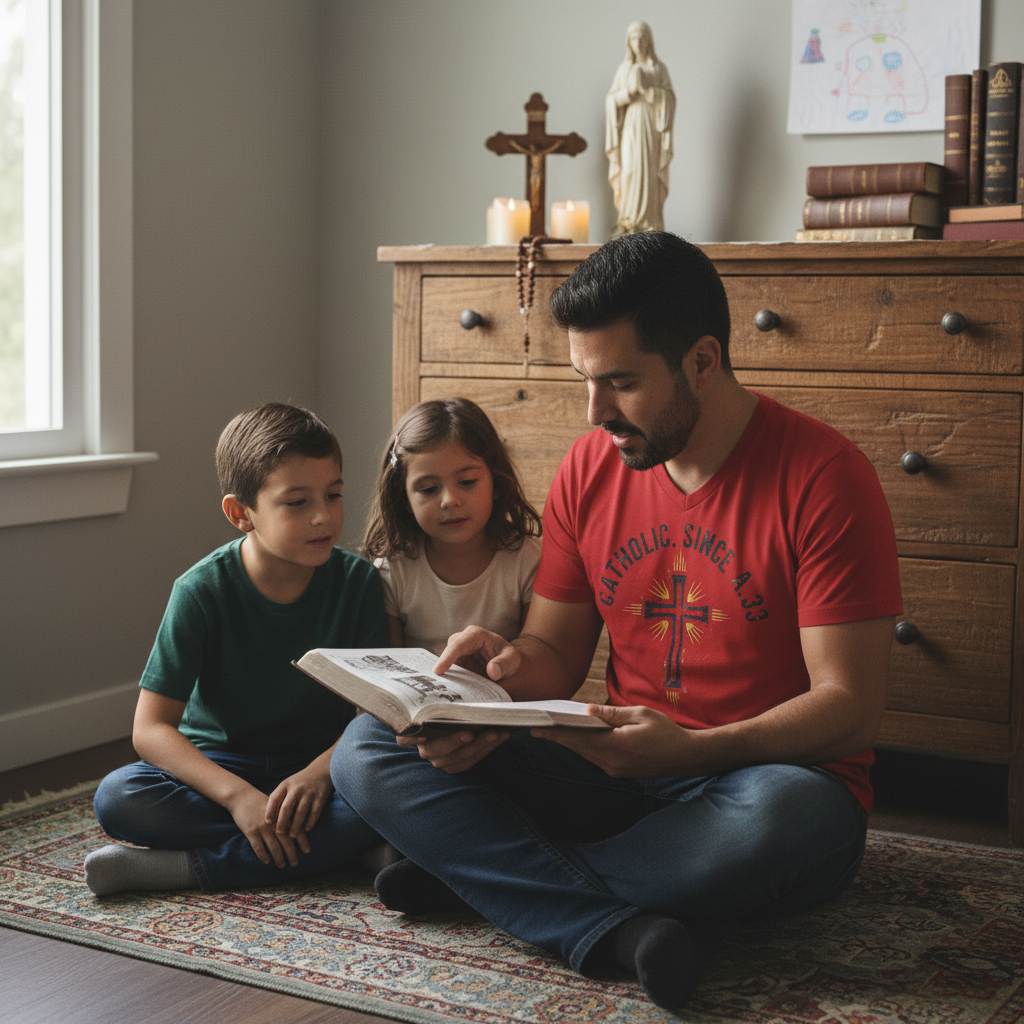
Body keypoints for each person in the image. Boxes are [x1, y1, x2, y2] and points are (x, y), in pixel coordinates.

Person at [332, 233, 902, 1010]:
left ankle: (490, 881)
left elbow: (850, 708)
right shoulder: (590, 468)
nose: (596, 412)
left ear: (702, 361)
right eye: (586, 381)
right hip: (620, 768)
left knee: (784, 820)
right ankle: (606, 920)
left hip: (764, 777)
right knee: (368, 749)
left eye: (621, 383)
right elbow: (554, 653)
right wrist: (493, 674)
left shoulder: (826, 478)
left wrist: (694, 750)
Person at [85, 403, 390, 896]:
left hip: (321, 767)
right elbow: (150, 729)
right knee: (119, 798)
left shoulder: (358, 583)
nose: (323, 516)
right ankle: (340, 847)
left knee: (397, 788)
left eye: (333, 495)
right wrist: (238, 798)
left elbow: (373, 715)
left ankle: (184, 869)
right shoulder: (200, 590)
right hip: (223, 767)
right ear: (240, 513)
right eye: (297, 502)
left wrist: (318, 775)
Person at [362, 397, 542, 655]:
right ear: (403, 499)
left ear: (497, 483)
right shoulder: (394, 569)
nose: (450, 500)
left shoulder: (527, 561)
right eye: (429, 489)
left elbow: (536, 659)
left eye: (467, 482)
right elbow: (392, 667)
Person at [605, 21, 675, 235]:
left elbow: (669, 98)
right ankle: (629, 223)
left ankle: (650, 221)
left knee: (650, 171)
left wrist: (649, 93)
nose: (639, 42)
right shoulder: (624, 69)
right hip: (631, 126)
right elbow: (611, 100)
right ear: (629, 42)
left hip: (651, 126)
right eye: (634, 38)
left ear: (649, 41)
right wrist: (629, 94)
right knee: (630, 169)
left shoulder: (658, 69)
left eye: (643, 37)